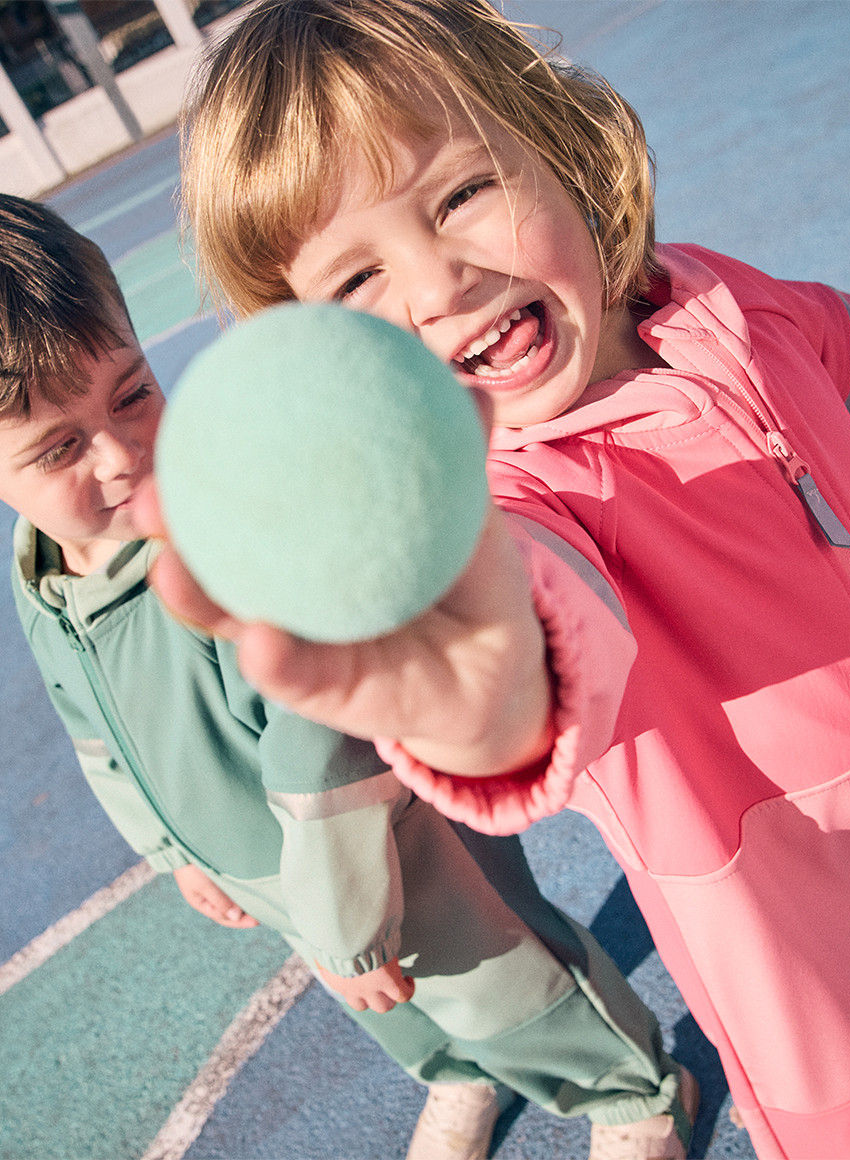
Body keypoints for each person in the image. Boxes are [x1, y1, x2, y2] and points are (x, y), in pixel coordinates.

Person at [166, 2, 850, 1157]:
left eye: (462, 193)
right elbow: (542, 633)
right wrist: (467, 667)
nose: (439, 279)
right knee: (825, 1087)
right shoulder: (514, 503)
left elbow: (846, 342)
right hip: (739, 864)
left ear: (557, 146)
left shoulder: (707, 294)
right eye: (357, 276)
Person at [0, 192, 701, 1160]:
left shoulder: (213, 537)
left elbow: (315, 743)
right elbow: (95, 732)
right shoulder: (42, 575)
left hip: (385, 847)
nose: (120, 456)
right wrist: (174, 854)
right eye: (58, 446)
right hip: (282, 876)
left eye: (131, 393)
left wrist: (348, 918)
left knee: (505, 976)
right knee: (396, 1011)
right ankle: (462, 1076)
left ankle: (632, 1090)